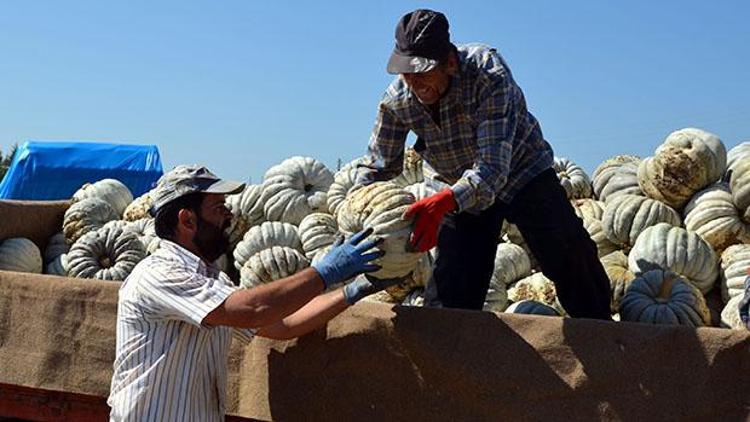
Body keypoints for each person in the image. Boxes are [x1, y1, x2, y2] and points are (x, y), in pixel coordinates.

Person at [356, 9, 611, 319]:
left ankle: (606, 338)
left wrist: (444, 201)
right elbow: (376, 167)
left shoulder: (487, 74)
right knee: (452, 291)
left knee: (571, 257)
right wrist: (358, 210)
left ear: (449, 63)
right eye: (405, 72)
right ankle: (447, 359)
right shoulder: (398, 100)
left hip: (522, 172)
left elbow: (491, 170)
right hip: (454, 186)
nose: (413, 81)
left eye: (422, 71)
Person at [108, 165, 399, 421]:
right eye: (219, 207)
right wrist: (325, 273)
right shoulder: (159, 274)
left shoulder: (211, 279)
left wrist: (350, 291)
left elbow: (280, 325)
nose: (230, 215)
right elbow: (254, 309)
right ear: (187, 221)